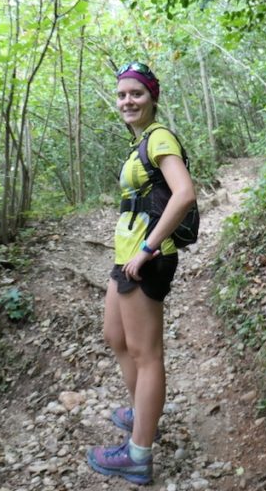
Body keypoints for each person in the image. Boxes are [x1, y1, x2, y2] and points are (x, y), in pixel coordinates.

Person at [86, 61, 196, 486]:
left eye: (137, 94)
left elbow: (184, 193)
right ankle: (141, 411)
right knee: (115, 337)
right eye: (122, 95)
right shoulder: (140, 144)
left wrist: (148, 249)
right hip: (126, 256)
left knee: (146, 355)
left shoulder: (160, 137)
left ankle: (138, 453)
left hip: (147, 258)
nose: (128, 101)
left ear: (152, 97)